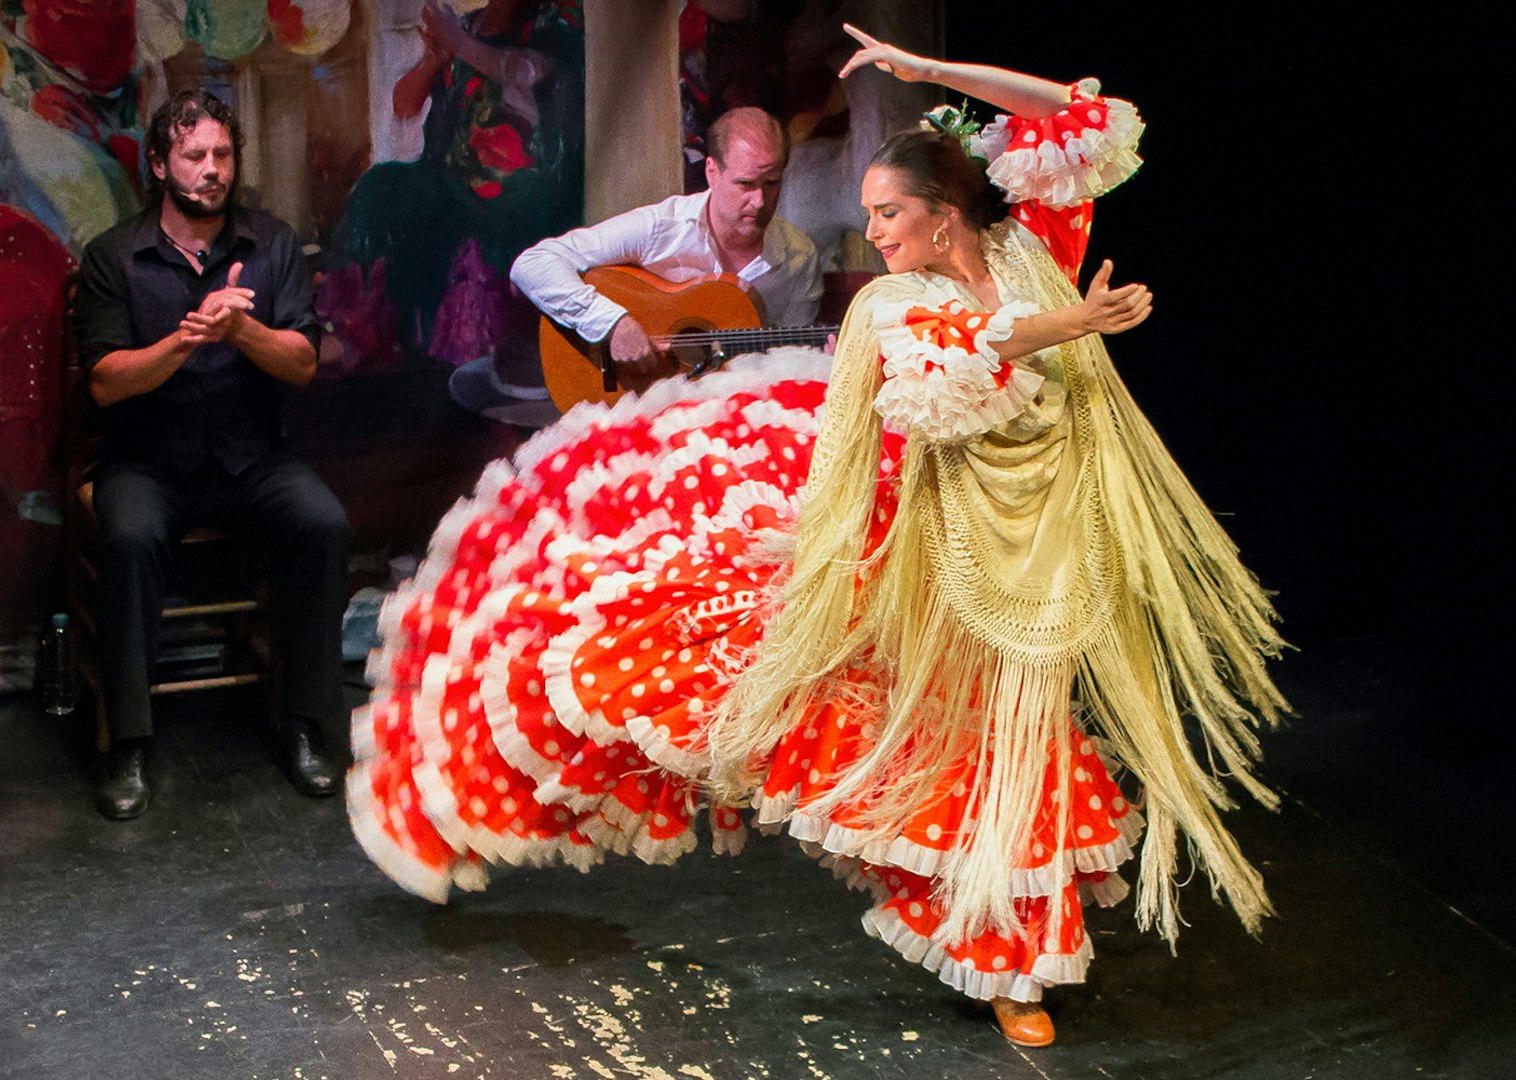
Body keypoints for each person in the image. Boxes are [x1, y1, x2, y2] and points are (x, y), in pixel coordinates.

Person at [349, 29, 1286, 1047]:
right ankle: (1005, 958)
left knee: (1026, 741)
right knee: (904, 724)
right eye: (870, 214)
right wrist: (1071, 325)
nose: (871, 234)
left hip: (1047, 546)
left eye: (888, 214)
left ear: (946, 214)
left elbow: (1076, 111)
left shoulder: (1035, 254)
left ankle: (1011, 948)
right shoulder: (898, 303)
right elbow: (976, 348)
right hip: (936, 554)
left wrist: (931, 74)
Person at [74, 90, 351, 820]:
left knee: (322, 523)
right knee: (129, 537)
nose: (212, 169)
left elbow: (301, 363)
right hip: (146, 459)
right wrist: (188, 337)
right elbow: (105, 382)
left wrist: (241, 332)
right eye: (194, 155)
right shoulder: (113, 257)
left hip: (249, 456)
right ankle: (128, 743)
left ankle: (305, 726)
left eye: (223, 154)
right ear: (160, 164)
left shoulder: (272, 244)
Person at [510, 105, 823, 391]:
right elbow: (533, 262)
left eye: (771, 183)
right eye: (745, 184)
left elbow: (789, 368)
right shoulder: (660, 227)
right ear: (712, 172)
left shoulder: (799, 257)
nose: (760, 201)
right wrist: (611, 324)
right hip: (634, 404)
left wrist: (820, 359)